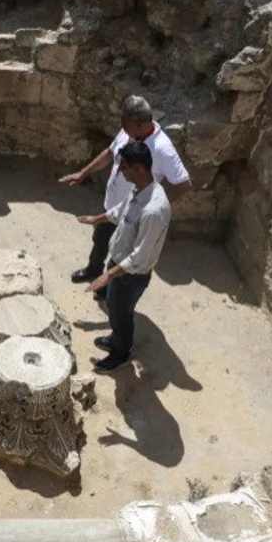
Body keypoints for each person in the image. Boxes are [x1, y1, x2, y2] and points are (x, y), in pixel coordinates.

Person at [59, 95, 192, 294]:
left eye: (125, 122)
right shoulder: (129, 131)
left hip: (131, 216)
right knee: (100, 240)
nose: (121, 126)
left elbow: (184, 184)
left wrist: (153, 204)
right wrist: (83, 173)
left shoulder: (163, 149)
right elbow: (110, 153)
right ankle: (93, 269)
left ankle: (107, 288)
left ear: (139, 124)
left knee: (120, 254)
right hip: (111, 205)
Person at [75, 141, 171, 372]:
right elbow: (119, 212)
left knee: (121, 313)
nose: (120, 172)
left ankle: (121, 352)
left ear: (139, 168)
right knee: (113, 306)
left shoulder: (154, 210)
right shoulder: (139, 189)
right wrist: (95, 219)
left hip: (131, 276)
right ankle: (116, 338)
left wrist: (107, 276)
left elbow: (139, 257)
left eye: (124, 167)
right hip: (119, 264)